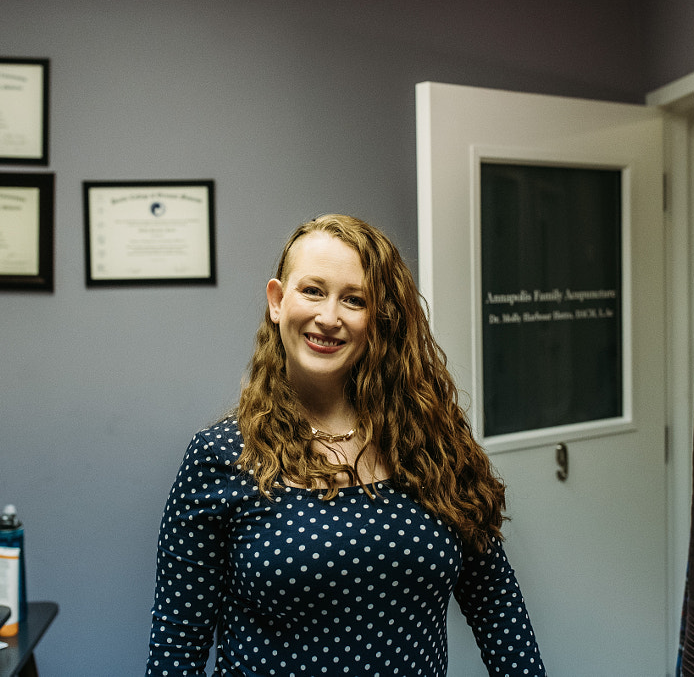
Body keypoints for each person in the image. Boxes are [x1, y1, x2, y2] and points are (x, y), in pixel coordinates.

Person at [147, 214, 545, 676]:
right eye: (312, 291)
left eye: (353, 300)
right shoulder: (221, 457)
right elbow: (178, 644)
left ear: (378, 318)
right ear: (277, 301)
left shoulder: (433, 440)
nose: (329, 317)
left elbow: (496, 605)